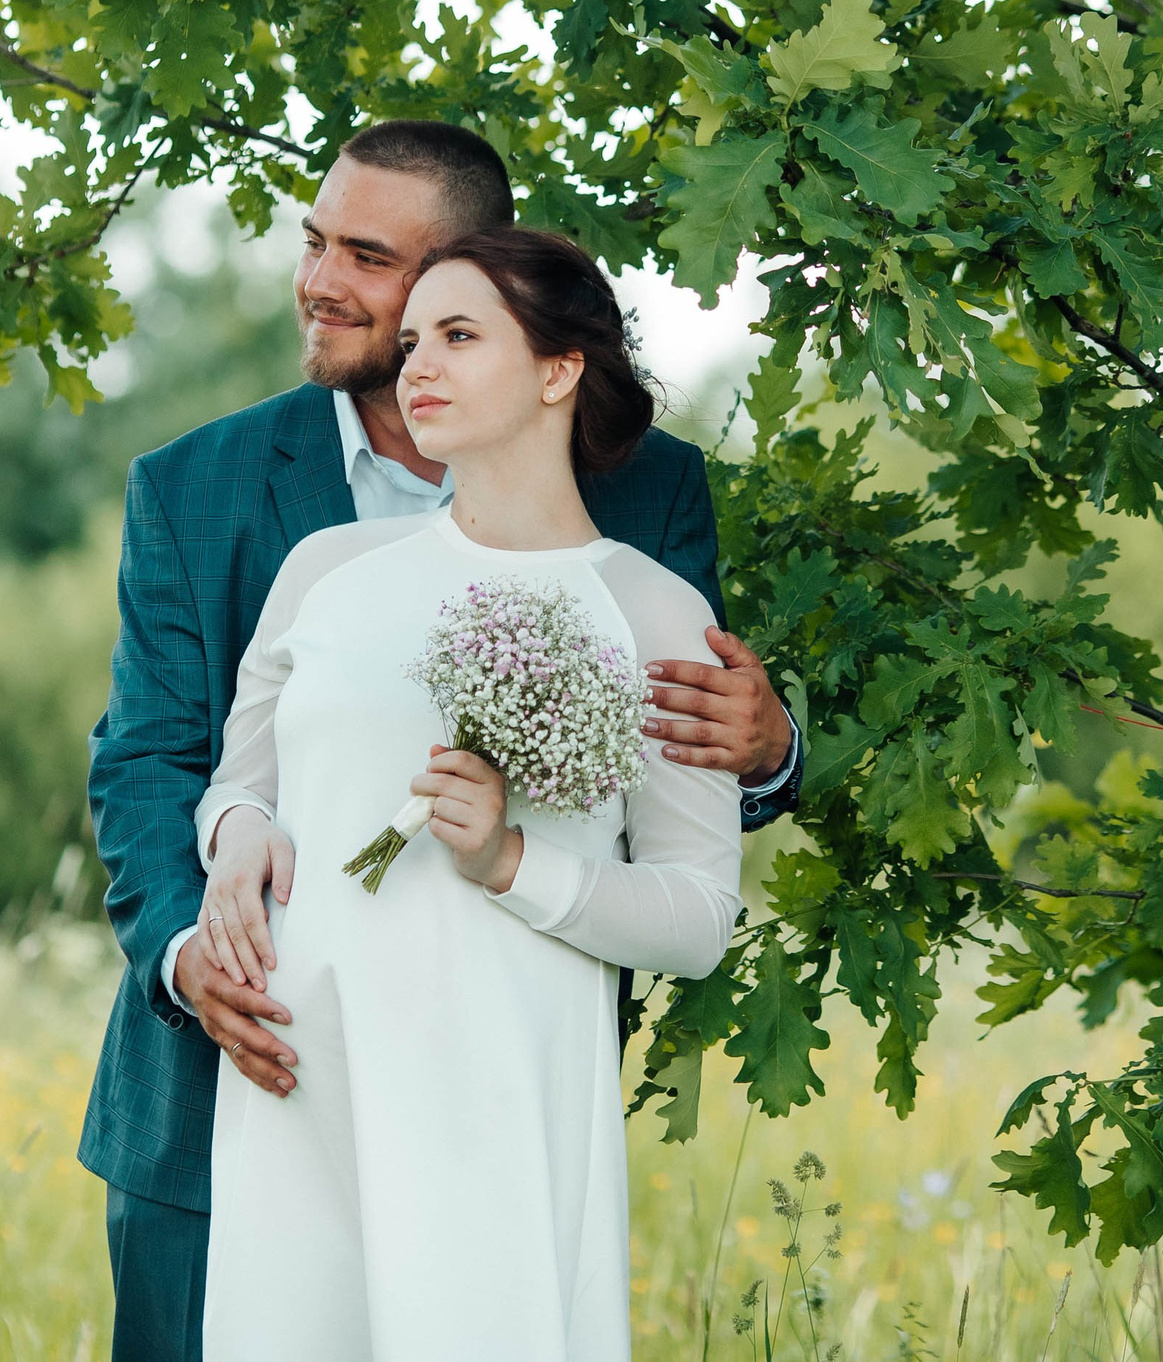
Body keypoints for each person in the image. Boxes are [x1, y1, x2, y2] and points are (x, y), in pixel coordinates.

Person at [78, 121, 802, 1362]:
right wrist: (196, 941)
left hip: (494, 1096)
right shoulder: (204, 489)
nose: (319, 280)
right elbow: (152, 761)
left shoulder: (644, 496)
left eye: (367, 255)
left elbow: (675, 784)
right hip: (232, 1090)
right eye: (314, 242)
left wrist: (769, 745)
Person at [189, 229, 743, 1360]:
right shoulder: (326, 573)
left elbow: (696, 919)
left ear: (556, 369)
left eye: (456, 335)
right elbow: (235, 788)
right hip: (304, 1078)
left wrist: (508, 861)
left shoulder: (652, 613)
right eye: (408, 342)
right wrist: (236, 835)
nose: (415, 367)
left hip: (496, 1088)